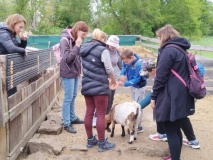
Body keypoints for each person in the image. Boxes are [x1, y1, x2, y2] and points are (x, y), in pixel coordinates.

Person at [150, 24, 195, 160]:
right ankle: (174, 156)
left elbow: (160, 77)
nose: (158, 40)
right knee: (175, 128)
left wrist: (154, 96)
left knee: (170, 130)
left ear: (164, 36)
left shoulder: (168, 51)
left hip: (170, 95)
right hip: (181, 94)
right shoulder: (181, 50)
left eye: (159, 37)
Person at [80, 28, 116, 152]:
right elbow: (109, 69)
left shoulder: (83, 49)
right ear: (102, 39)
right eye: (105, 39)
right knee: (101, 114)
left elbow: (82, 68)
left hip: (87, 85)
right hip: (100, 86)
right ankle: (102, 143)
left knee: (89, 112)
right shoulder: (103, 50)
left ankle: (90, 140)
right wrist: (113, 81)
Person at [60, 21, 89, 134]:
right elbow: (67, 59)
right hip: (67, 73)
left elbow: (77, 57)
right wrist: (77, 45)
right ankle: (67, 123)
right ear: (77, 31)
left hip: (75, 72)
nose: (84, 37)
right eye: (83, 34)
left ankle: (72, 117)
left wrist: (79, 70)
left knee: (73, 95)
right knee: (68, 98)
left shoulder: (74, 39)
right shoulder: (65, 40)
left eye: (85, 35)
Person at [92, 35, 122, 129]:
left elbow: (120, 64)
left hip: (113, 78)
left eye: (114, 45)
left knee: (110, 98)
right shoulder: (103, 50)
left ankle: (106, 119)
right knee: (101, 98)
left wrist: (122, 75)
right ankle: (96, 119)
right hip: (103, 77)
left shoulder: (117, 52)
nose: (112, 46)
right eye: (111, 44)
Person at [118, 49, 147, 133]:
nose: (125, 62)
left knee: (138, 106)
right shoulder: (125, 60)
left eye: (127, 61)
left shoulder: (139, 64)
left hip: (139, 86)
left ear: (132, 57)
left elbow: (137, 79)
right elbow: (124, 67)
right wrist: (122, 74)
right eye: (124, 61)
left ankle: (139, 125)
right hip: (132, 85)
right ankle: (134, 123)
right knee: (133, 104)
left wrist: (125, 84)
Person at [0, 14, 28, 97]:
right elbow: (11, 49)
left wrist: (23, 41)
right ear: (13, 24)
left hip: (7, 68)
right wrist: (23, 51)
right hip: (2, 68)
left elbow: (18, 48)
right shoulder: (2, 32)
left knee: (11, 94)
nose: (21, 30)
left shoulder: (11, 33)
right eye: (20, 27)